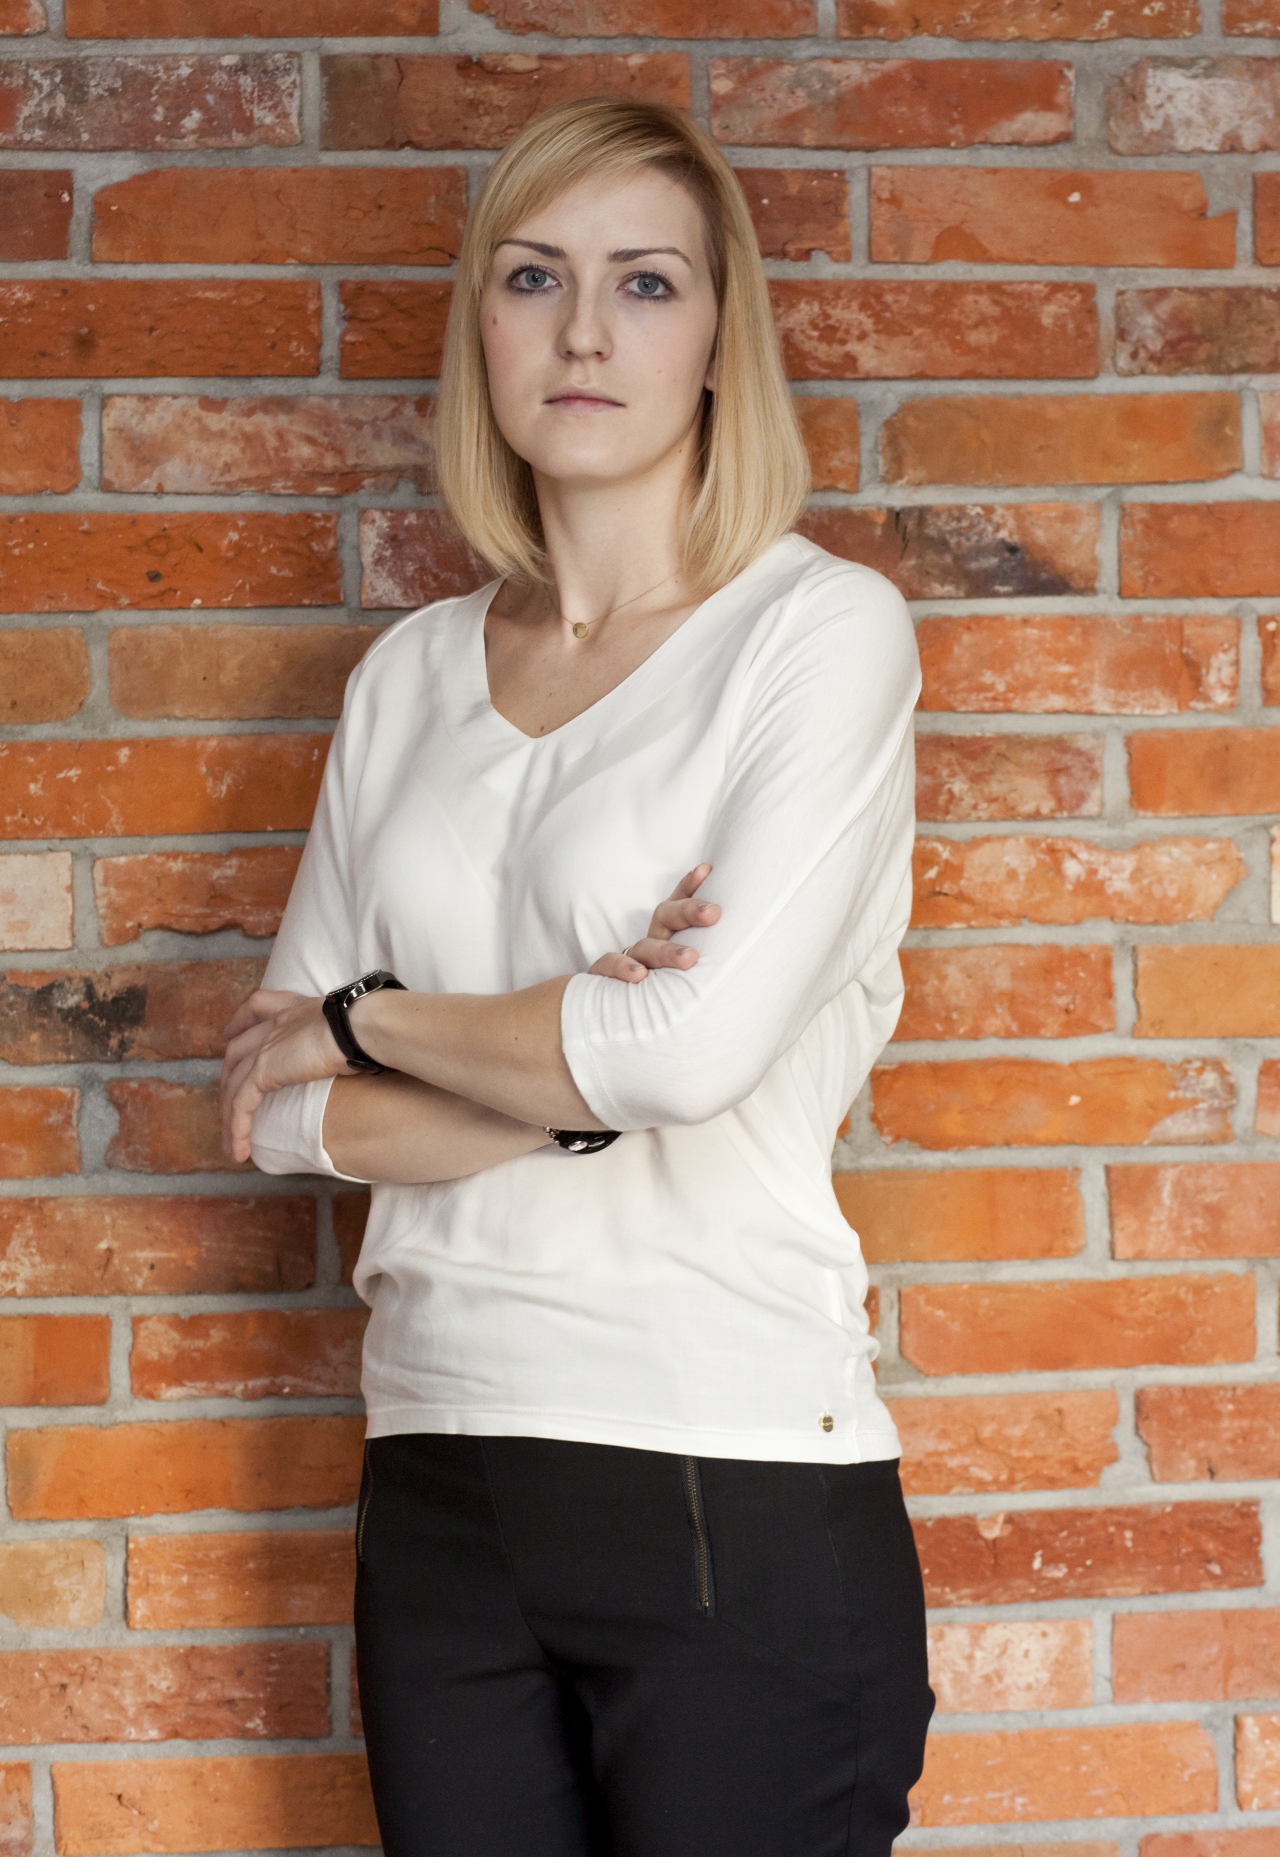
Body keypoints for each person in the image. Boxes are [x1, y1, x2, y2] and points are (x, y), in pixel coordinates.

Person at [219, 97, 932, 1857]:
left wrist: (368, 1024)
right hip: (439, 1462)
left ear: (720, 339)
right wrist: (566, 1074)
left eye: (647, 282)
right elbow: (272, 1114)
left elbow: (677, 1053)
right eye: (536, 277)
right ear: (484, 326)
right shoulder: (407, 677)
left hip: (727, 1470)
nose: (588, 331)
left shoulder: (815, 634)